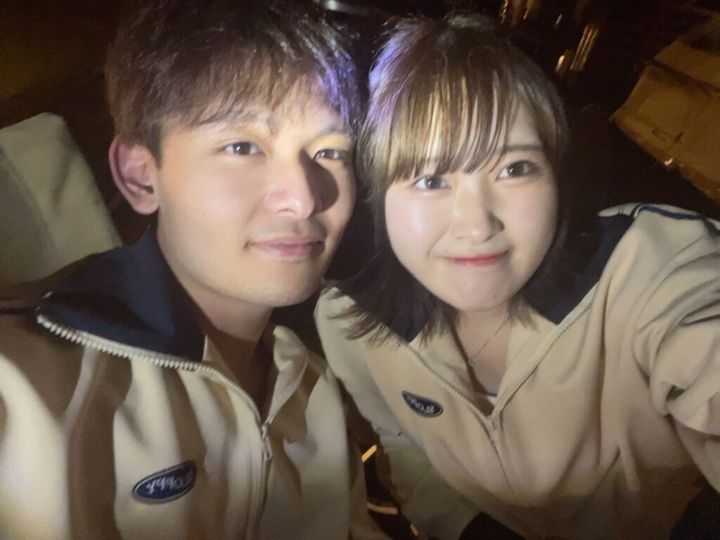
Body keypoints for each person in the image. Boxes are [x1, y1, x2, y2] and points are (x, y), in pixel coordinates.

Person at [316, 12, 720, 540]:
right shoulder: (349, 321)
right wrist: (469, 528)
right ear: (377, 197)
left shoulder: (649, 273)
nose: (476, 225)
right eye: (431, 179)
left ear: (557, 175)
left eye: (514, 169)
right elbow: (402, 444)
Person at [0, 1, 386, 538]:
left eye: (329, 152)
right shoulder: (24, 383)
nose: (304, 198)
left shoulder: (310, 386)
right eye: (243, 146)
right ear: (141, 177)